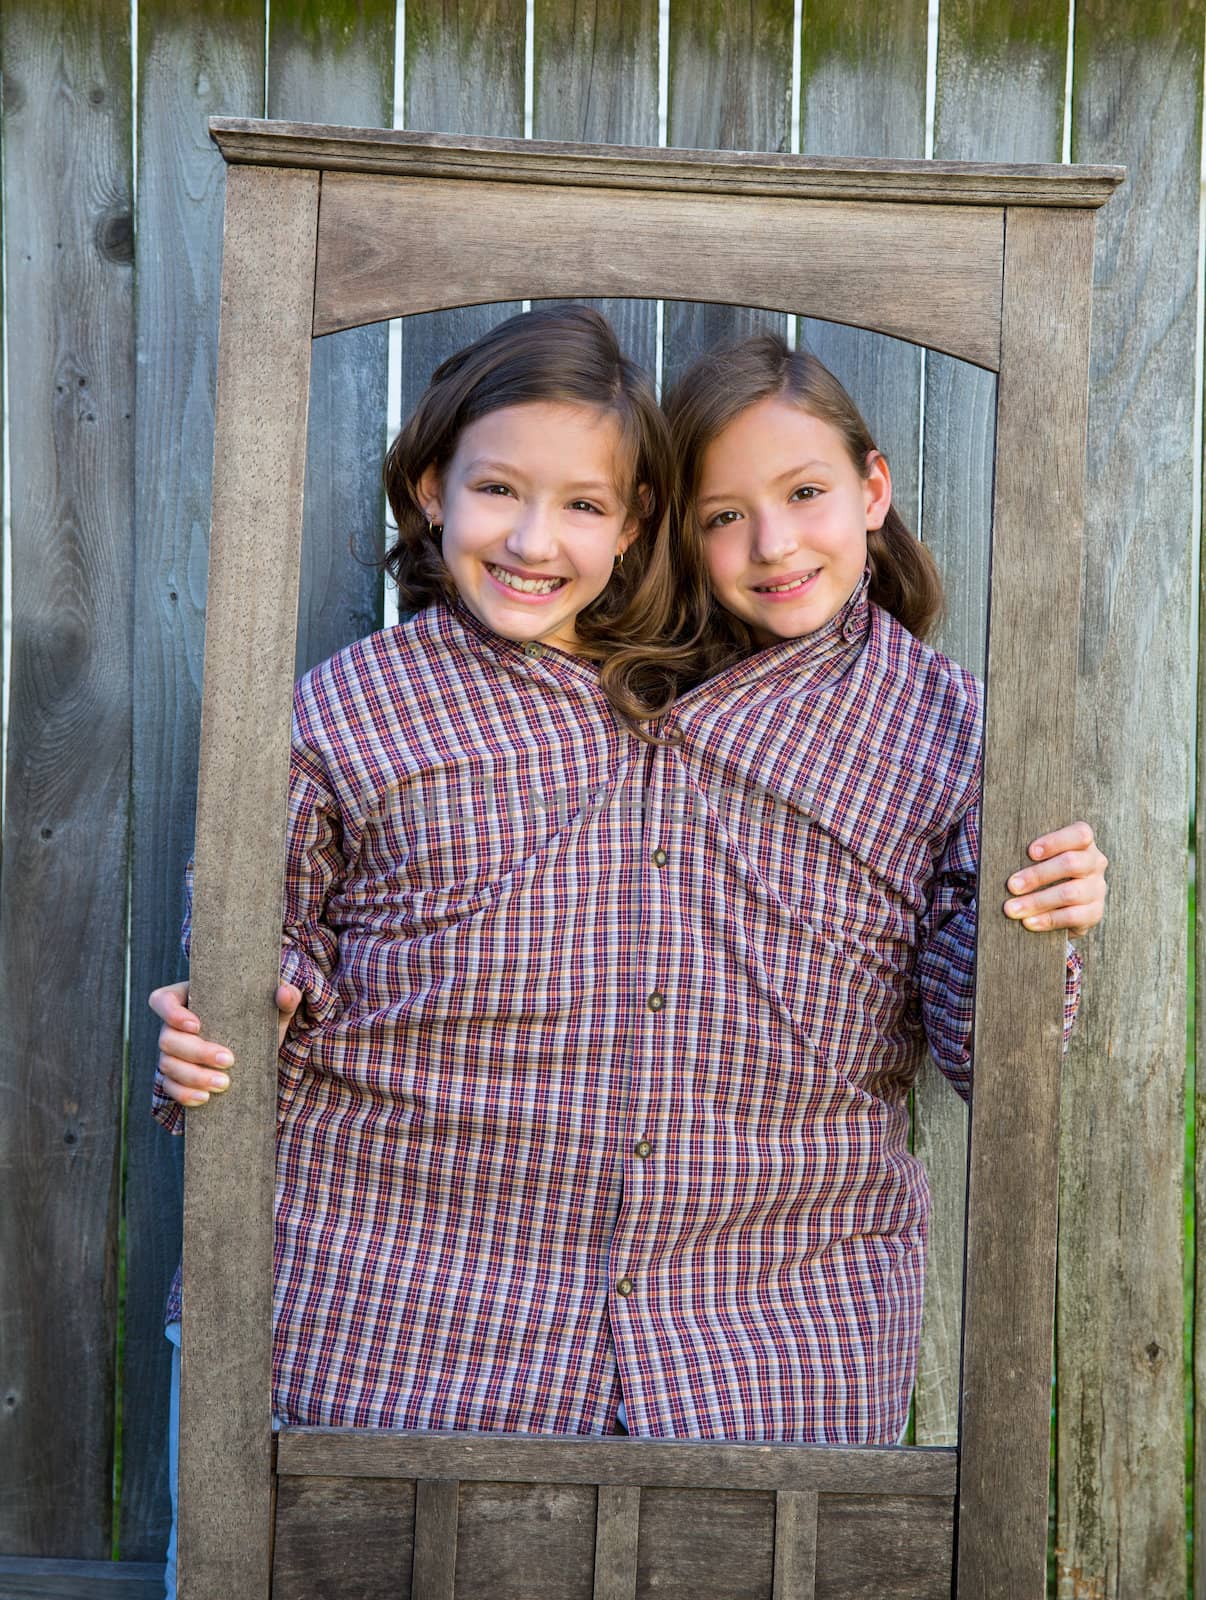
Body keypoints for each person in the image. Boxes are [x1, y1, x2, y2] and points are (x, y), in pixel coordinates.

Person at [152, 319, 1106, 1481]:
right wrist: (231, 1021)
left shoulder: (951, 735)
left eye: (803, 492)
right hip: (388, 1312)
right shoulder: (359, 710)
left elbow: (988, 1047)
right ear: (427, 490)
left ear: (872, 490)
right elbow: (264, 950)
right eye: (723, 516)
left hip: (773, 1340)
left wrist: (1038, 921)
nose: (770, 541)